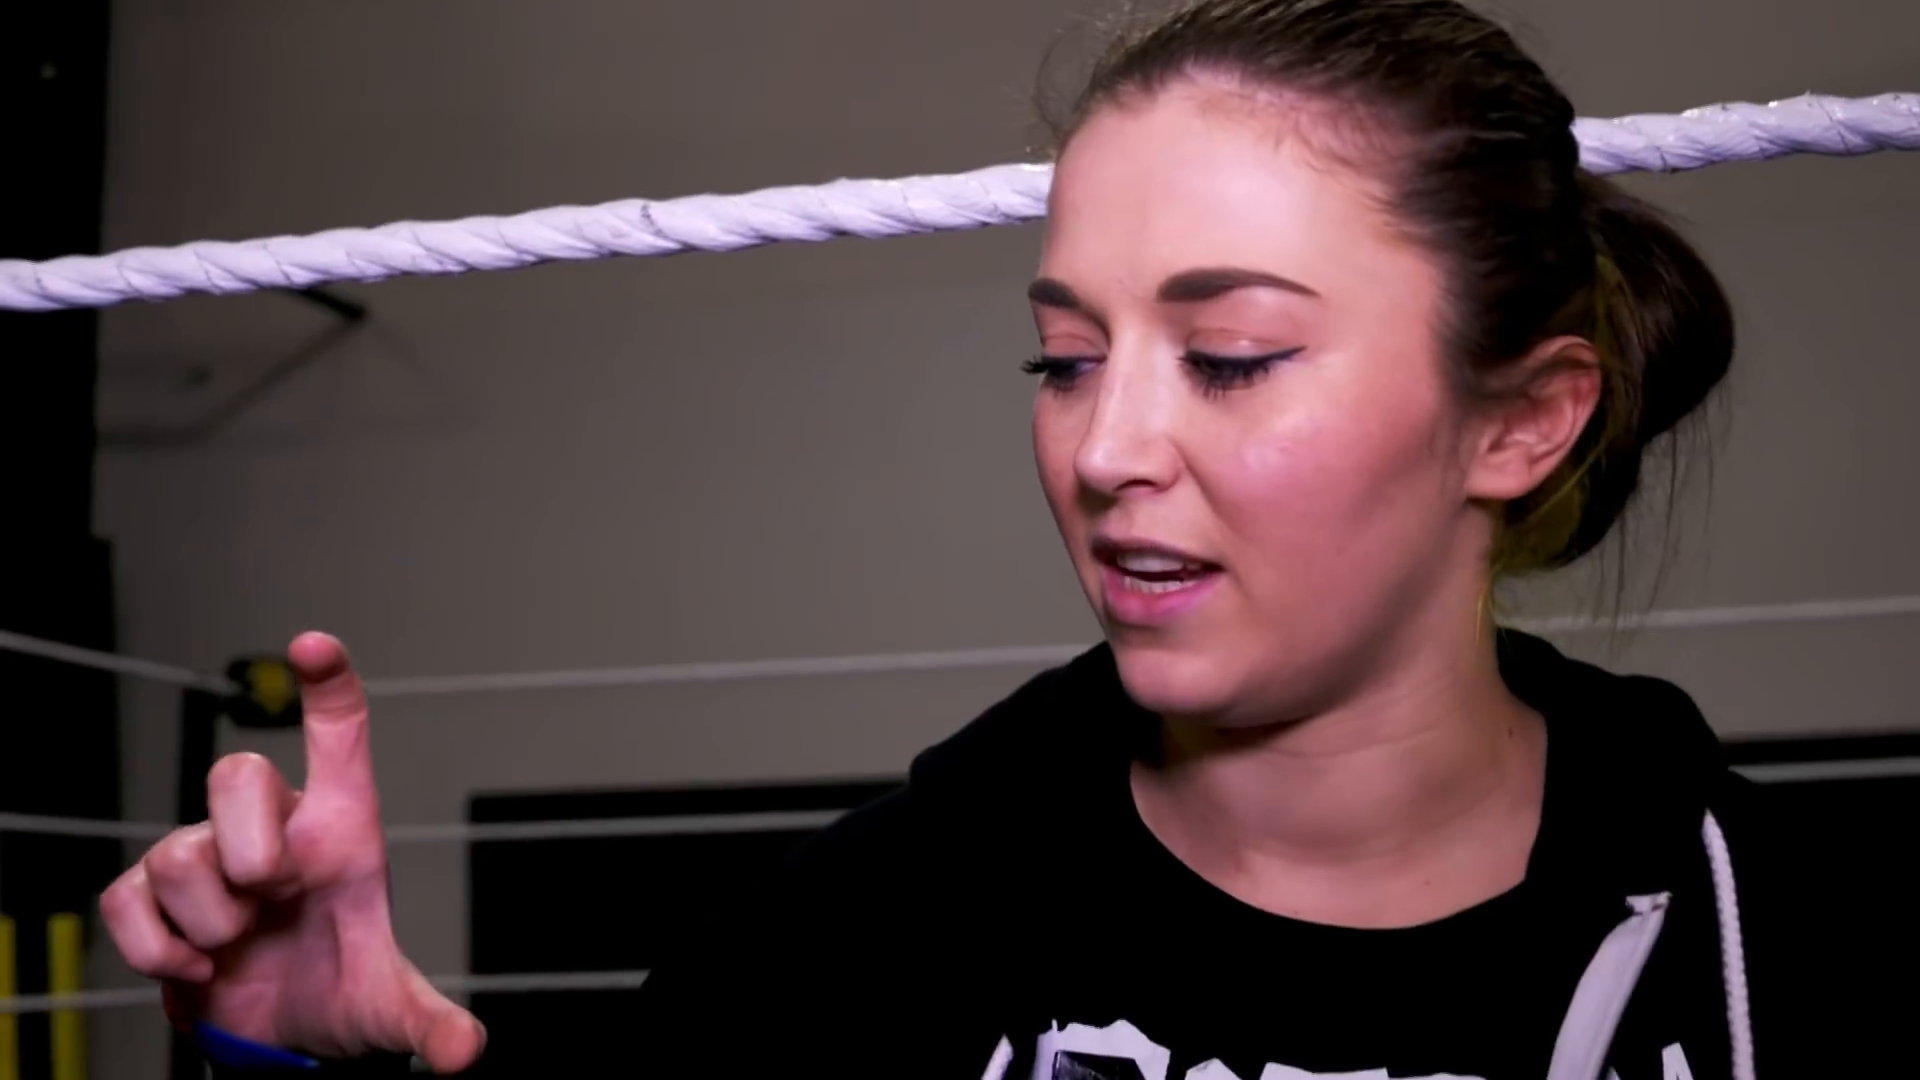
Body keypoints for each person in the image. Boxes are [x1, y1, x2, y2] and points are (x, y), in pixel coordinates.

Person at [101, 1, 1906, 1077]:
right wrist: (288, 1051)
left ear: (1520, 421)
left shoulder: (1786, 950)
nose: (1104, 449)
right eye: (1064, 358)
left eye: (1231, 356)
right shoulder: (854, 953)